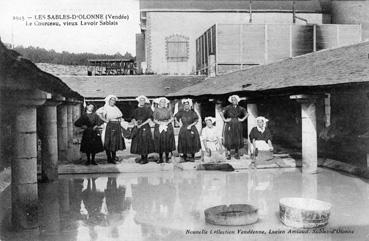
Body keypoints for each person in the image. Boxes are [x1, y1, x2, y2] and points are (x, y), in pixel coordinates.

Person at [96, 95, 125, 164]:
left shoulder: (115, 108)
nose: (113, 102)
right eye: (112, 100)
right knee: (109, 142)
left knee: (114, 142)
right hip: (109, 125)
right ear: (108, 101)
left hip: (116, 125)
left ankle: (113, 158)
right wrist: (105, 120)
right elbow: (98, 113)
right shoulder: (105, 108)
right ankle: (109, 158)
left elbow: (120, 116)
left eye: (114, 100)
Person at [221, 95, 249, 160]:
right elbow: (221, 113)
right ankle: (228, 154)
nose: (234, 101)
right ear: (231, 101)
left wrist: (242, 119)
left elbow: (247, 114)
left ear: (237, 100)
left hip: (237, 124)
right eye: (233, 100)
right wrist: (225, 119)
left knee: (237, 138)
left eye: (235, 100)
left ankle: (237, 153)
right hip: (229, 123)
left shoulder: (241, 108)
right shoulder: (227, 107)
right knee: (229, 138)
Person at [131, 95, 155, 164]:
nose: (142, 101)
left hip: (145, 127)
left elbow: (149, 119)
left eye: (143, 100)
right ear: (139, 101)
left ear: (145, 101)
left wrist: (141, 125)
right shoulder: (136, 110)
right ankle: (142, 157)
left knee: (145, 141)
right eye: (140, 100)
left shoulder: (148, 110)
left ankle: (145, 158)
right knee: (139, 142)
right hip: (138, 127)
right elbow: (133, 118)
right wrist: (135, 123)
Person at [153, 97, 176, 163]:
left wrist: (167, 122)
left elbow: (172, 118)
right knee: (159, 141)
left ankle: (167, 157)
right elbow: (154, 119)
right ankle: (160, 158)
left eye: (164, 102)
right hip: (159, 126)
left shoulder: (168, 110)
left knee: (167, 140)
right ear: (159, 103)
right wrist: (160, 123)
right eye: (161, 102)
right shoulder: (156, 110)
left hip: (167, 126)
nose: (163, 103)